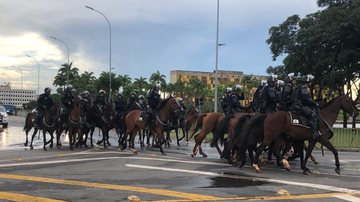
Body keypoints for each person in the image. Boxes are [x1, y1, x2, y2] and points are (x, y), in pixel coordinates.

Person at [292, 74, 321, 140]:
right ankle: (314, 134)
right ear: (307, 81)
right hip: (300, 106)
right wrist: (315, 103)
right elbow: (306, 99)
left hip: (296, 105)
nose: (311, 83)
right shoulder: (304, 87)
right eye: (310, 81)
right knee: (313, 114)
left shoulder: (298, 87)